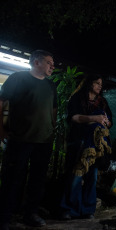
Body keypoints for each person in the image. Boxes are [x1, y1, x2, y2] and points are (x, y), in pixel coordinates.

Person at [0, 50, 57, 230]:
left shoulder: (51, 86)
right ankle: (5, 216)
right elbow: (1, 102)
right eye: (49, 62)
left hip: (44, 141)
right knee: (12, 178)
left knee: (37, 180)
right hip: (20, 138)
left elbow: (54, 111)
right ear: (36, 62)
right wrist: (1, 130)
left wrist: (51, 131)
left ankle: (30, 214)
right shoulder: (18, 78)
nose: (52, 66)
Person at [60, 75, 112, 220]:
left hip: (95, 145)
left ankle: (88, 210)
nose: (99, 86)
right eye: (97, 82)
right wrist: (93, 119)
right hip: (78, 141)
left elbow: (110, 122)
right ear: (89, 83)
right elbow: (73, 118)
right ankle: (70, 209)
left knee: (92, 177)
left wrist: (105, 122)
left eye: (101, 84)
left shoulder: (103, 102)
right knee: (76, 175)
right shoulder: (77, 98)